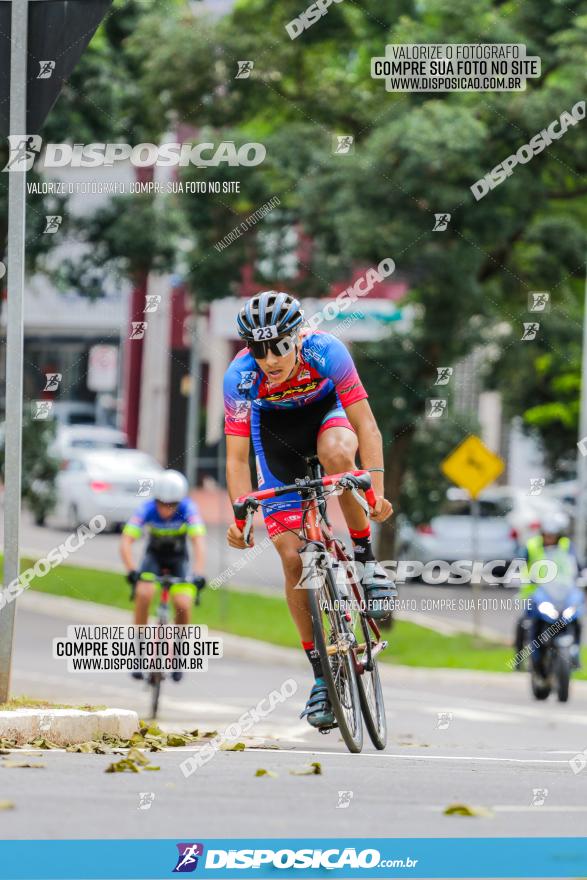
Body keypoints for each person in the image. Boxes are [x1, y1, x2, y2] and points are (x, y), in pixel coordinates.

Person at [223, 290, 395, 728]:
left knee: (339, 458)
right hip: (275, 441)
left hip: (326, 418)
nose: (269, 358)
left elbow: (367, 426)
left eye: (279, 345)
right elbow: (238, 459)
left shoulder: (327, 352)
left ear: (298, 336)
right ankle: (321, 676)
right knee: (291, 557)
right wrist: (241, 516)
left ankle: (366, 560)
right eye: (257, 349)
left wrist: (374, 491)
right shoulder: (240, 379)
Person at [120, 469, 206, 681]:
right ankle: (138, 654)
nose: (166, 510)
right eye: (161, 503)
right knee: (143, 594)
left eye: (172, 505)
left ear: (180, 501)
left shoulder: (189, 509)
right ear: (155, 499)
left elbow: (198, 543)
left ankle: (178, 655)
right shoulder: (146, 509)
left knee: (183, 604)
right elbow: (126, 542)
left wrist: (198, 573)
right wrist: (132, 570)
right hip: (154, 559)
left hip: (179, 560)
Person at [514, 511, 582, 669]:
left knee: (575, 618)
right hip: (537, 592)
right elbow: (519, 563)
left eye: (553, 535)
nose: (550, 538)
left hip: (560, 593)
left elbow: (577, 566)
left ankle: (575, 655)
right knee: (525, 622)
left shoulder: (567, 545)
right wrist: (519, 576)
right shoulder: (532, 545)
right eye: (547, 534)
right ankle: (520, 658)